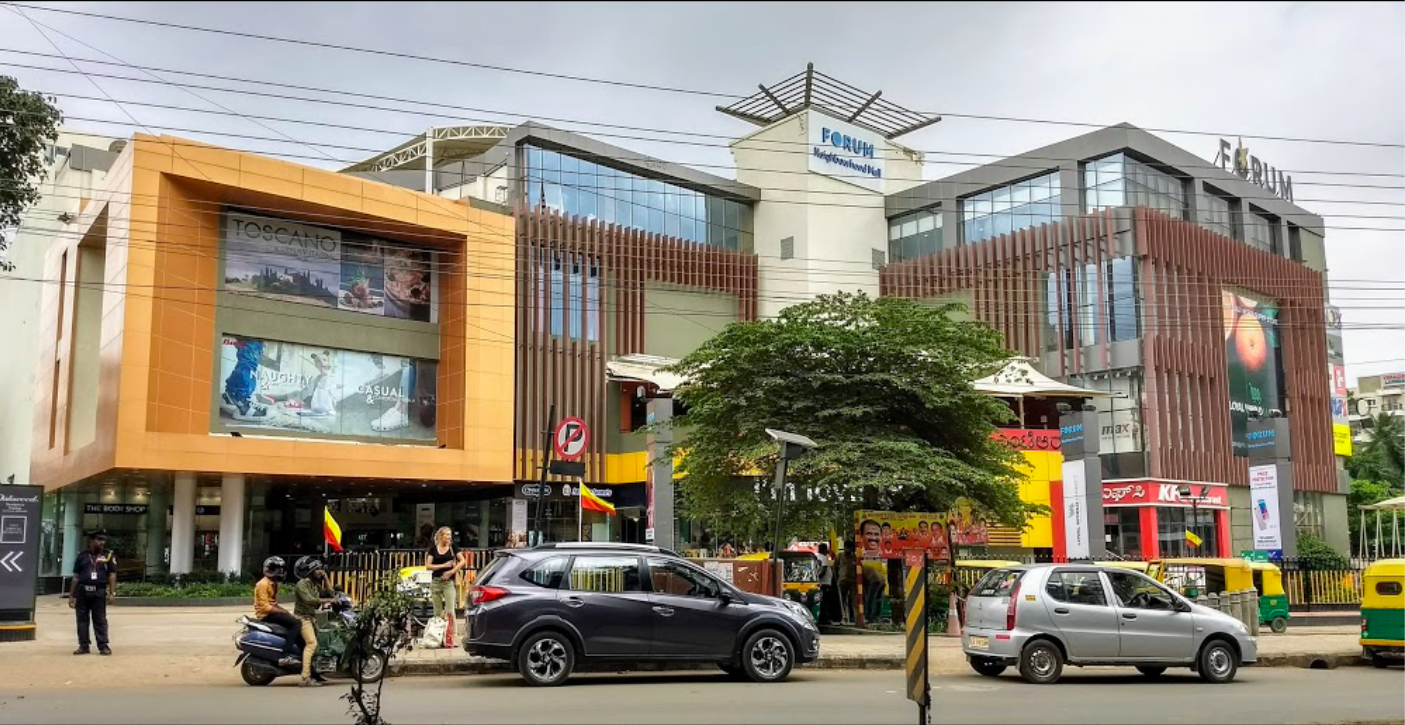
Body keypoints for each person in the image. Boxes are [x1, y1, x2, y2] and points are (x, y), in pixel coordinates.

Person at [69, 529, 116, 655]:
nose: (102, 543)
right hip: (82, 591)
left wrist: (112, 593)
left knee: (100, 619)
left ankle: (103, 645)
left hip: (99, 592)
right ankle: (83, 645)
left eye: (103, 540)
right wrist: (71, 595)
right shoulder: (82, 556)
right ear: (91, 541)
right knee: (82, 620)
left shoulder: (107, 555)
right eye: (99, 540)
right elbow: (76, 576)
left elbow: (112, 574)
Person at [292, 557, 336, 688]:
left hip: (311, 617)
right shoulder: (302, 584)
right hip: (302, 618)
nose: (320, 571)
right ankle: (305, 678)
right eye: (318, 569)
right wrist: (329, 601)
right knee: (312, 644)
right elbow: (309, 600)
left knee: (320, 645)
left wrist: (326, 578)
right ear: (310, 570)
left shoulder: (313, 584)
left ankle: (315, 673)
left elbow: (330, 592)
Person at [254, 556, 302, 667]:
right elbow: (266, 607)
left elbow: (273, 603)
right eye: (278, 569)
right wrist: (283, 613)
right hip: (265, 615)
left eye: (281, 569)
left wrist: (285, 611)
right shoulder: (262, 584)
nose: (280, 572)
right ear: (270, 569)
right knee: (296, 623)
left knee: (296, 622)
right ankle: (285, 655)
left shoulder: (273, 583)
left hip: (271, 612)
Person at [425, 526, 463, 642]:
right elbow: (428, 566)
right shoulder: (433, 549)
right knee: (437, 611)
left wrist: (451, 571)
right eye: (447, 534)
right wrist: (443, 566)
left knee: (450, 610)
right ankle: (437, 636)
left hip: (448, 582)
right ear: (441, 536)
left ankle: (452, 637)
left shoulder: (453, 548)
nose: (449, 537)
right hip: (436, 581)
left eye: (450, 535)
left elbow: (463, 561)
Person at [816, 543, 838, 625]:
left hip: (820, 583)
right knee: (826, 601)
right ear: (824, 550)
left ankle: (822, 618)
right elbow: (823, 571)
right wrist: (818, 578)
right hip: (825, 583)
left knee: (822, 601)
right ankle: (826, 619)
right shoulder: (824, 558)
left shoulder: (816, 556)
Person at [837, 539, 857, 625]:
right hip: (842, 580)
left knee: (855, 600)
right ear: (844, 548)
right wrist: (838, 577)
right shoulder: (840, 556)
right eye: (846, 548)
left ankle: (856, 618)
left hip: (853, 581)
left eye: (849, 548)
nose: (847, 550)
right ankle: (844, 618)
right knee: (842, 600)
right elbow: (835, 567)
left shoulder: (855, 557)